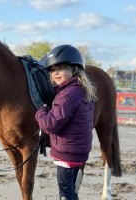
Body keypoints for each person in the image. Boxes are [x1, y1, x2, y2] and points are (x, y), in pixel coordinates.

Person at [35, 45, 97, 200]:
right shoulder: (82, 90)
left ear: (74, 69)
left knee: (65, 193)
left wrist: (41, 111)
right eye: (52, 69)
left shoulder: (66, 96)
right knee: (71, 191)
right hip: (79, 152)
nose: (56, 73)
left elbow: (50, 125)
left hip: (67, 153)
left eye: (61, 68)